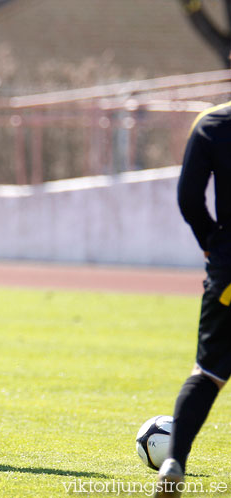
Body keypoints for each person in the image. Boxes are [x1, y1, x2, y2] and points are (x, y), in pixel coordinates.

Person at [153, 101, 231, 497]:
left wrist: (215, 248)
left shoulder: (213, 122)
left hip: (229, 271)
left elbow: (188, 198)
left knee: (209, 373)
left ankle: (174, 461)